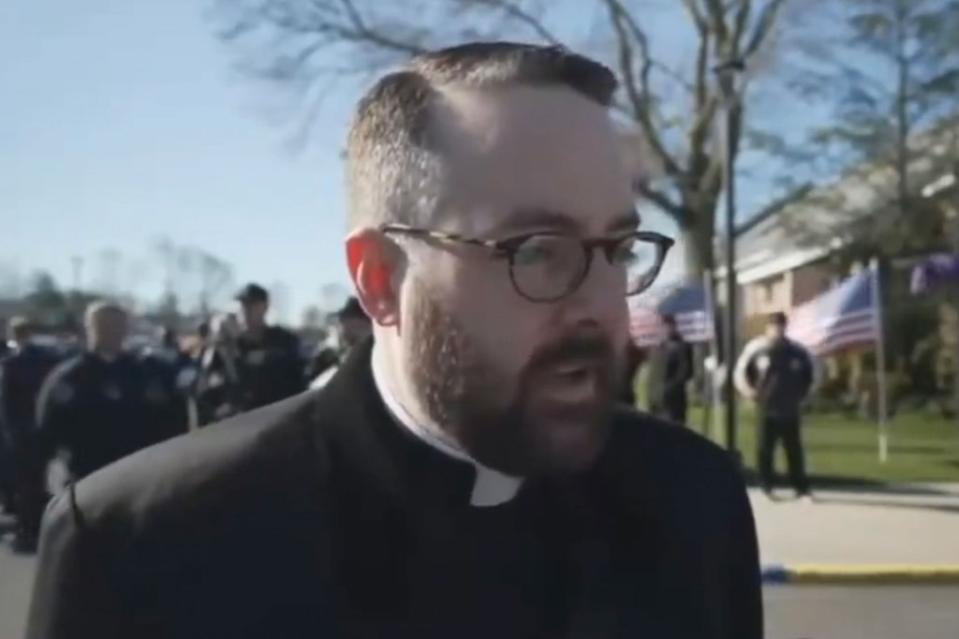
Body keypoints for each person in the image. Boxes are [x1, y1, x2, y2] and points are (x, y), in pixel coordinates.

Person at [27, 42, 761, 639]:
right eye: (537, 250)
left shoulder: (692, 498)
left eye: (620, 250)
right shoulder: (142, 541)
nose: (601, 305)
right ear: (379, 278)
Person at [33, 302, 185, 493]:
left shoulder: (146, 373)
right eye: (103, 325)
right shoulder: (70, 377)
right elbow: (48, 428)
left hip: (139, 476)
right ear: (89, 328)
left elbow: (170, 420)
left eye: (118, 325)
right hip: (87, 477)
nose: (112, 331)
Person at [195, 284, 305, 423]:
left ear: (265, 307)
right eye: (242, 306)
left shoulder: (283, 341)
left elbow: (296, 382)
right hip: (238, 426)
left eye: (252, 305)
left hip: (277, 421)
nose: (245, 311)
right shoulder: (226, 347)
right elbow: (204, 389)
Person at [735, 311, 815, 500]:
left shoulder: (797, 351)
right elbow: (741, 373)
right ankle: (766, 485)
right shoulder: (757, 349)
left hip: (789, 407)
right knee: (765, 448)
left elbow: (809, 375)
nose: (777, 329)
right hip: (766, 407)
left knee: (793, 448)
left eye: (780, 326)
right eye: (773, 326)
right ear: (767, 328)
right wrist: (749, 392)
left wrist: (802, 396)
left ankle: (800, 487)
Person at [0, 318, 60, 551]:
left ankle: (27, 532)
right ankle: (41, 526)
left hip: (19, 432)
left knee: (23, 484)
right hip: (42, 429)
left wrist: (9, 433)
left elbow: (6, 404)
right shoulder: (48, 360)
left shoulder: (12, 364)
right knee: (40, 479)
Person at [309, 296, 373, 388]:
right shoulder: (328, 355)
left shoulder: (374, 357)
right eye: (342, 320)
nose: (341, 325)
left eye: (346, 319)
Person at [645, 315, 694, 425]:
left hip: (673, 401)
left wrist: (670, 389)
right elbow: (653, 374)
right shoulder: (656, 348)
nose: (665, 329)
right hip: (656, 400)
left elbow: (685, 372)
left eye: (668, 326)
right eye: (662, 326)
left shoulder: (681, 346)